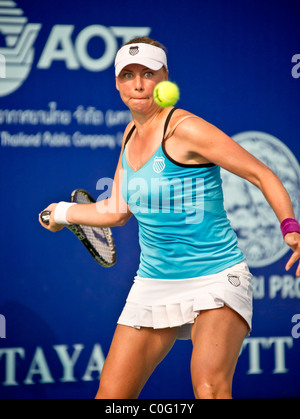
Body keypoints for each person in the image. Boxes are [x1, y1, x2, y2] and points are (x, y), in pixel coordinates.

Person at [39, 37, 300, 399]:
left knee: (209, 389)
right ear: (117, 83)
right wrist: (62, 212)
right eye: (128, 75)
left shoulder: (186, 128)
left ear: (165, 77)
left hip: (217, 277)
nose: (138, 84)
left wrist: (291, 228)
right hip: (154, 283)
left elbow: (261, 174)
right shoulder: (130, 135)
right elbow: (116, 210)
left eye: (148, 73)